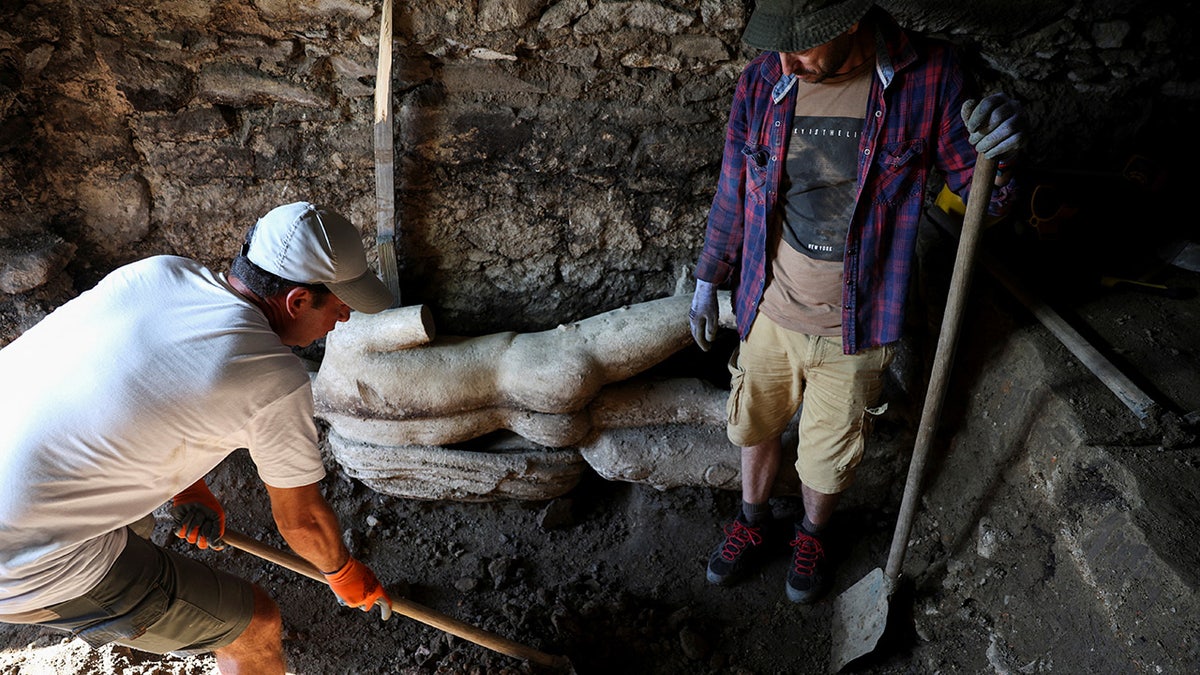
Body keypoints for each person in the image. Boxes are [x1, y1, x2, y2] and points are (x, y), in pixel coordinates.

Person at [688, 0, 1024, 604]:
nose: (786, 61)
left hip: (861, 319)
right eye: (779, 47)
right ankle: (751, 519)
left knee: (827, 455)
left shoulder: (933, 78)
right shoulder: (765, 80)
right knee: (753, 424)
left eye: (803, 47)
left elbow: (982, 201)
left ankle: (814, 532)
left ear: (850, 23)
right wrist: (709, 276)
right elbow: (735, 185)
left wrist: (998, 156)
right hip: (769, 304)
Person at [0, 201, 397, 673]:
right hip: (23, 567)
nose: (346, 318)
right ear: (297, 301)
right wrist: (343, 573)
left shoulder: (159, 274)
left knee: (139, 526)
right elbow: (302, 521)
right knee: (255, 625)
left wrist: (187, 488)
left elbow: (128, 388)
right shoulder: (273, 377)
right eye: (340, 304)